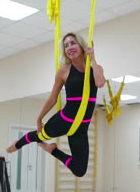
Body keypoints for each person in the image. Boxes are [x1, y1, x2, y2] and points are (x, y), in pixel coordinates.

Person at [6, 32, 106, 177]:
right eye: (66, 45)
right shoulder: (64, 71)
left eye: (73, 43)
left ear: (82, 46)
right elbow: (52, 98)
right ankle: (17, 144)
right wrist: (39, 118)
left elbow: (100, 83)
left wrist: (94, 59)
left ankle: (52, 149)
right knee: (39, 136)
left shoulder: (96, 69)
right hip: (64, 120)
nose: (69, 47)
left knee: (80, 170)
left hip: (81, 127)